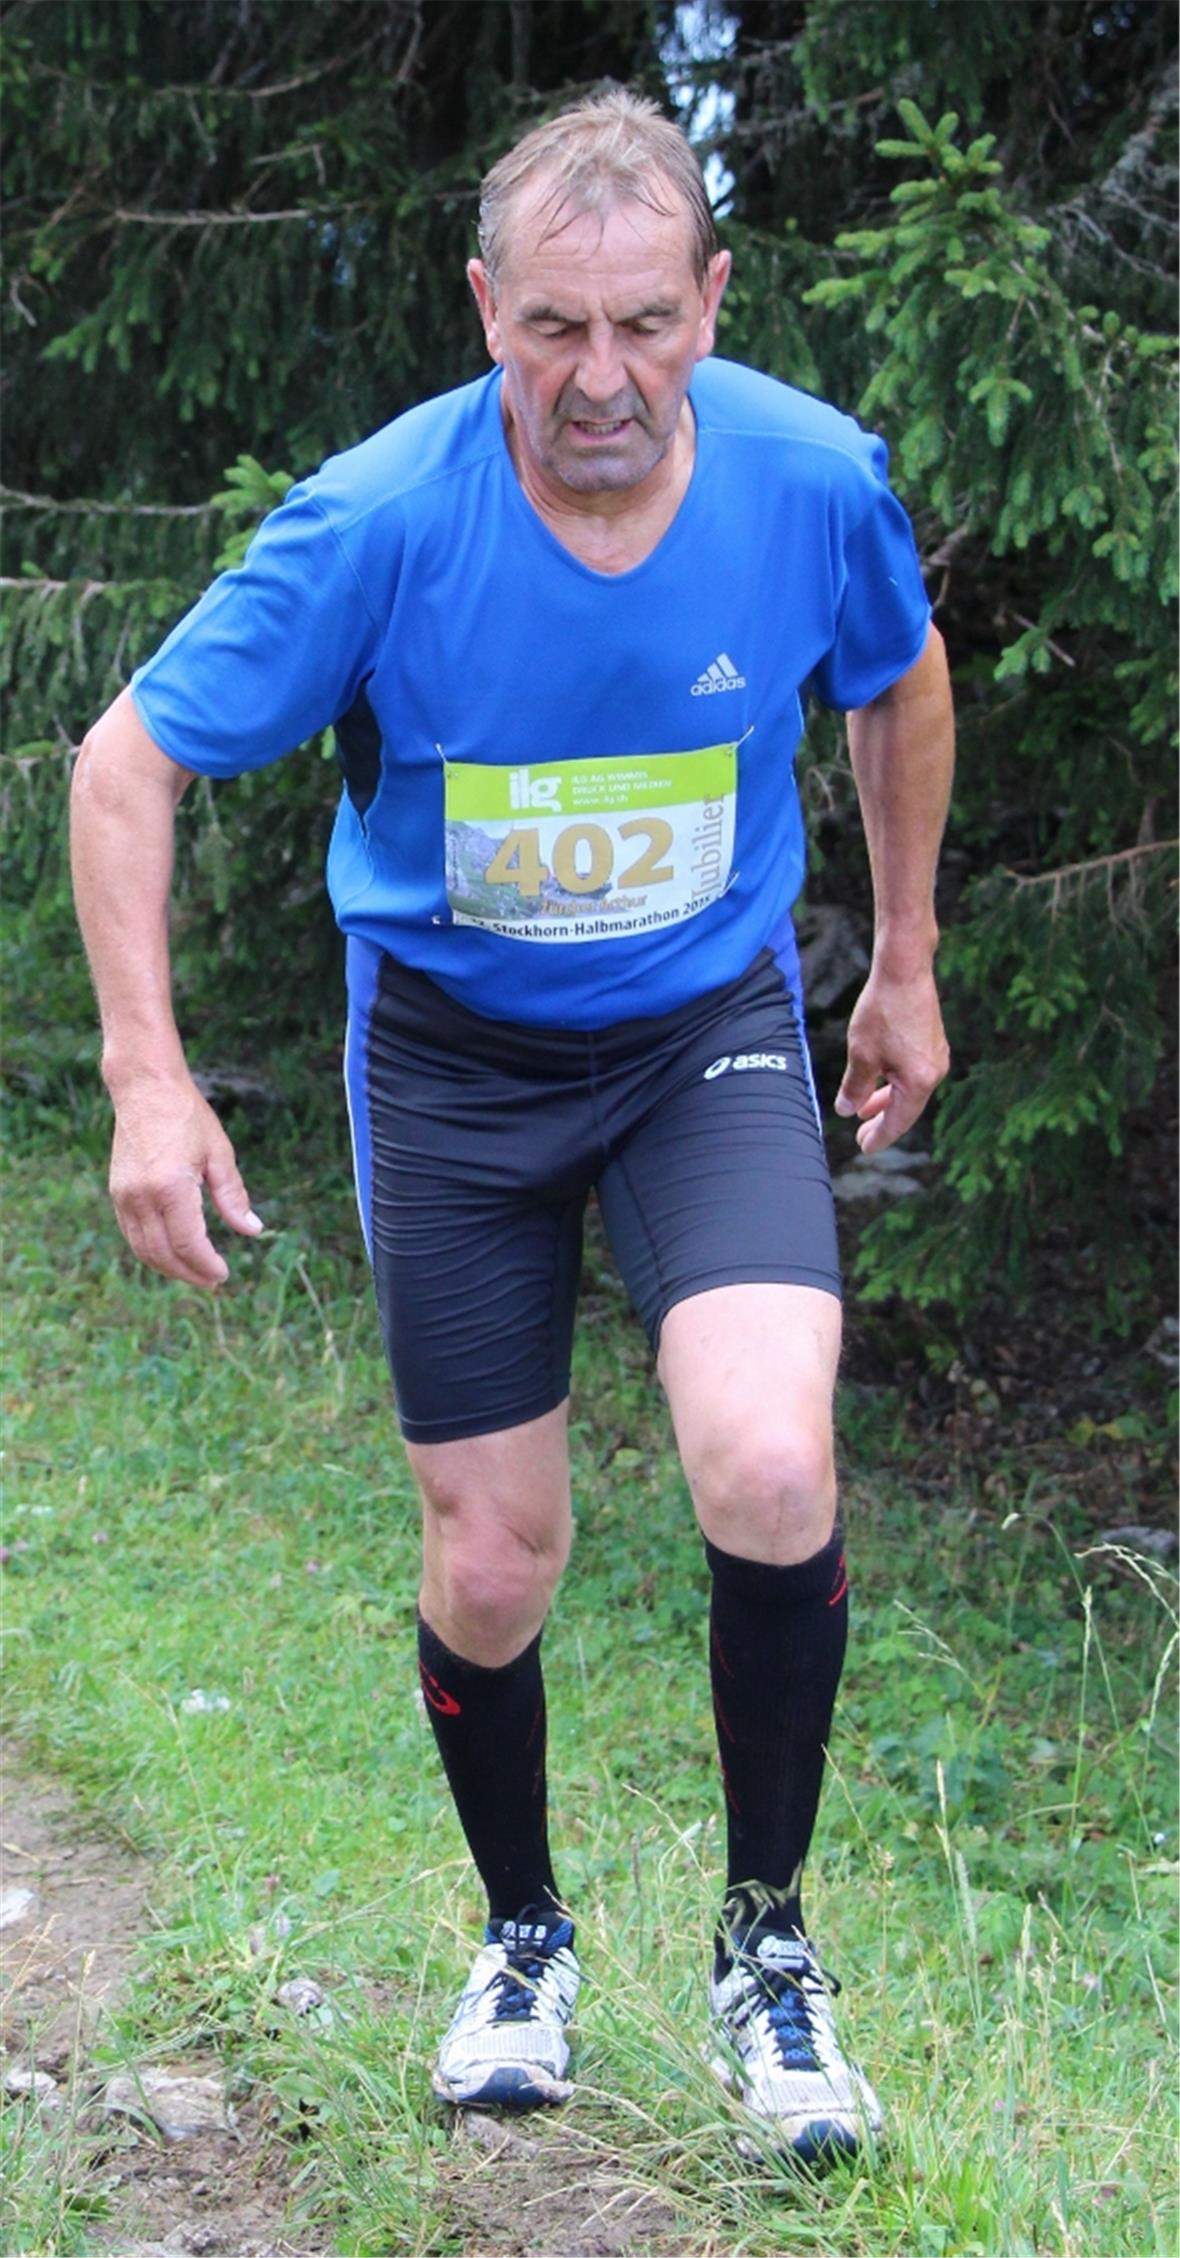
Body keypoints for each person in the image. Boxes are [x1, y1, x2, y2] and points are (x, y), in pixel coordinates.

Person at [71, 89, 952, 2163]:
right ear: (485, 312)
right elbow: (129, 760)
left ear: (709, 304)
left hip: (699, 1042)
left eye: (644, 323)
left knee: (764, 1450)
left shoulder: (808, 481)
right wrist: (144, 1071)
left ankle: (766, 1947)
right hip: (453, 1066)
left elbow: (894, 681)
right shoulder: (379, 519)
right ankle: (524, 1931)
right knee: (493, 1559)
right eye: (551, 326)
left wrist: (901, 955)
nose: (599, 379)